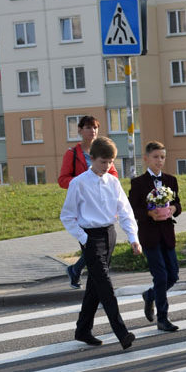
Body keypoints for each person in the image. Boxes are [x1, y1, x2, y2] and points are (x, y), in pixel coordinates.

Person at [59, 136, 141, 350]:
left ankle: (83, 329)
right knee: (105, 285)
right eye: (103, 162)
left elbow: (125, 211)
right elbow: (67, 216)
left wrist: (133, 238)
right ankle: (122, 333)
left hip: (109, 234)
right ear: (92, 159)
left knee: (95, 286)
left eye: (111, 162)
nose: (107, 166)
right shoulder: (78, 183)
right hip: (90, 236)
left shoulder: (113, 182)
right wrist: (85, 239)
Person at [59, 115, 120, 289]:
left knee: (95, 252)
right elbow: (63, 179)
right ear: (79, 130)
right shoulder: (72, 154)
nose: (92, 131)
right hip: (84, 207)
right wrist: (83, 183)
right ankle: (97, 287)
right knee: (93, 250)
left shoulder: (104, 149)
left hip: (103, 206)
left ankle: (76, 271)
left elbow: (113, 175)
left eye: (95, 127)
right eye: (88, 127)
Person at [128, 141, 182, 333]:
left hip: (167, 233)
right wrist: (149, 213)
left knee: (173, 275)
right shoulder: (138, 183)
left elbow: (178, 204)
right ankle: (163, 318)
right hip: (149, 235)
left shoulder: (171, 180)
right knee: (160, 276)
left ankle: (150, 295)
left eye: (162, 157)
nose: (159, 161)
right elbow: (133, 208)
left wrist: (173, 208)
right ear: (146, 158)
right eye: (155, 157)